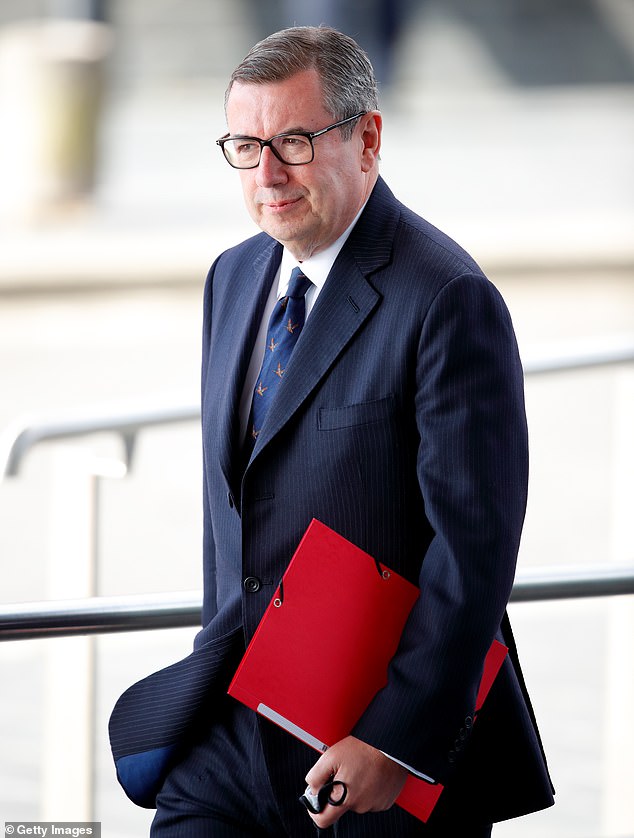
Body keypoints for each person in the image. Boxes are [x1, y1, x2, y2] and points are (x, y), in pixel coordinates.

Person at [109, 25, 555, 837]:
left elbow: (475, 550)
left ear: (368, 138)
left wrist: (395, 742)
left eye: (295, 141)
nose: (267, 174)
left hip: (366, 760)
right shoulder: (233, 277)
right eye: (245, 145)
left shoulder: (447, 297)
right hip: (229, 738)